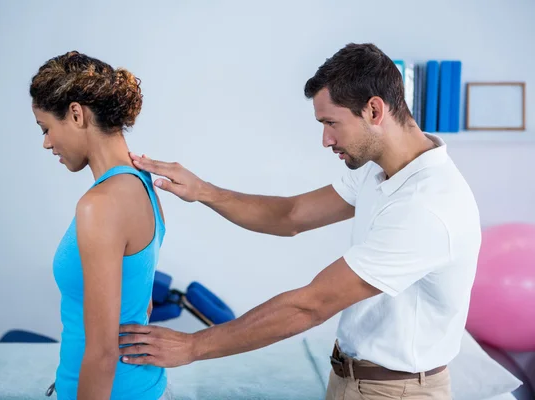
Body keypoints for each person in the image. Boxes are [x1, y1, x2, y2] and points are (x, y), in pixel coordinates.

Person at [118, 43, 482, 399]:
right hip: (351, 375)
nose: (326, 140)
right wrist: (204, 191)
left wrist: (193, 346)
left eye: (331, 123)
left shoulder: (427, 207)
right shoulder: (378, 169)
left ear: (374, 110)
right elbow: (291, 215)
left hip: (396, 391)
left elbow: (312, 304)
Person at [30, 51, 171, 400]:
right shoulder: (144, 183)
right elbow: (143, 303)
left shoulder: (101, 205)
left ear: (76, 114)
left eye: (46, 128)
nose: (47, 143)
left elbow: (103, 352)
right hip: (144, 387)